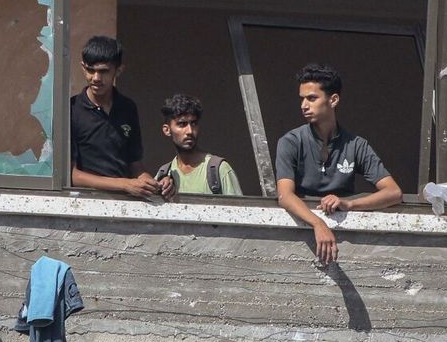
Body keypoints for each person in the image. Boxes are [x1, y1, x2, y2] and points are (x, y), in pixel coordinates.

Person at [274, 64, 402, 264]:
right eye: (302, 98)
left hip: (348, 247)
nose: (304, 105)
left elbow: (393, 193)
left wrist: (348, 203)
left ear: (333, 100)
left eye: (312, 98)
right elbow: (284, 196)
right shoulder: (290, 142)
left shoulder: (356, 145)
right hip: (296, 243)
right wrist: (318, 223)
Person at [70, 35, 175, 200]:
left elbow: (135, 165)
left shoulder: (128, 108)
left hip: (123, 207)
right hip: (84, 205)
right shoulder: (72, 109)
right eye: (91, 70)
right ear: (83, 68)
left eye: (103, 71)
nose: (96, 78)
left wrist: (156, 184)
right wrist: (125, 184)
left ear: (118, 70)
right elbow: (72, 176)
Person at [156, 94, 245, 197]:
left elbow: (239, 211)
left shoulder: (219, 169)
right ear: (167, 130)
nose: (189, 131)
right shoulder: (164, 173)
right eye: (182, 124)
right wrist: (159, 188)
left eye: (193, 123)